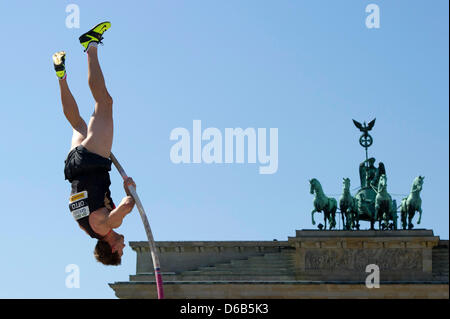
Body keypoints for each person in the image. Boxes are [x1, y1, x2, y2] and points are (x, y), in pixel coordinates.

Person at [53, 22, 136, 265]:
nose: (123, 246)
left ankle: (90, 45)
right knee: (78, 124)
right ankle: (61, 77)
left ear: (111, 249)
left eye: (120, 251)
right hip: (73, 166)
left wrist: (130, 189)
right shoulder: (86, 230)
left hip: (93, 161)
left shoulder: (108, 225)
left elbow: (128, 205)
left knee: (105, 102)